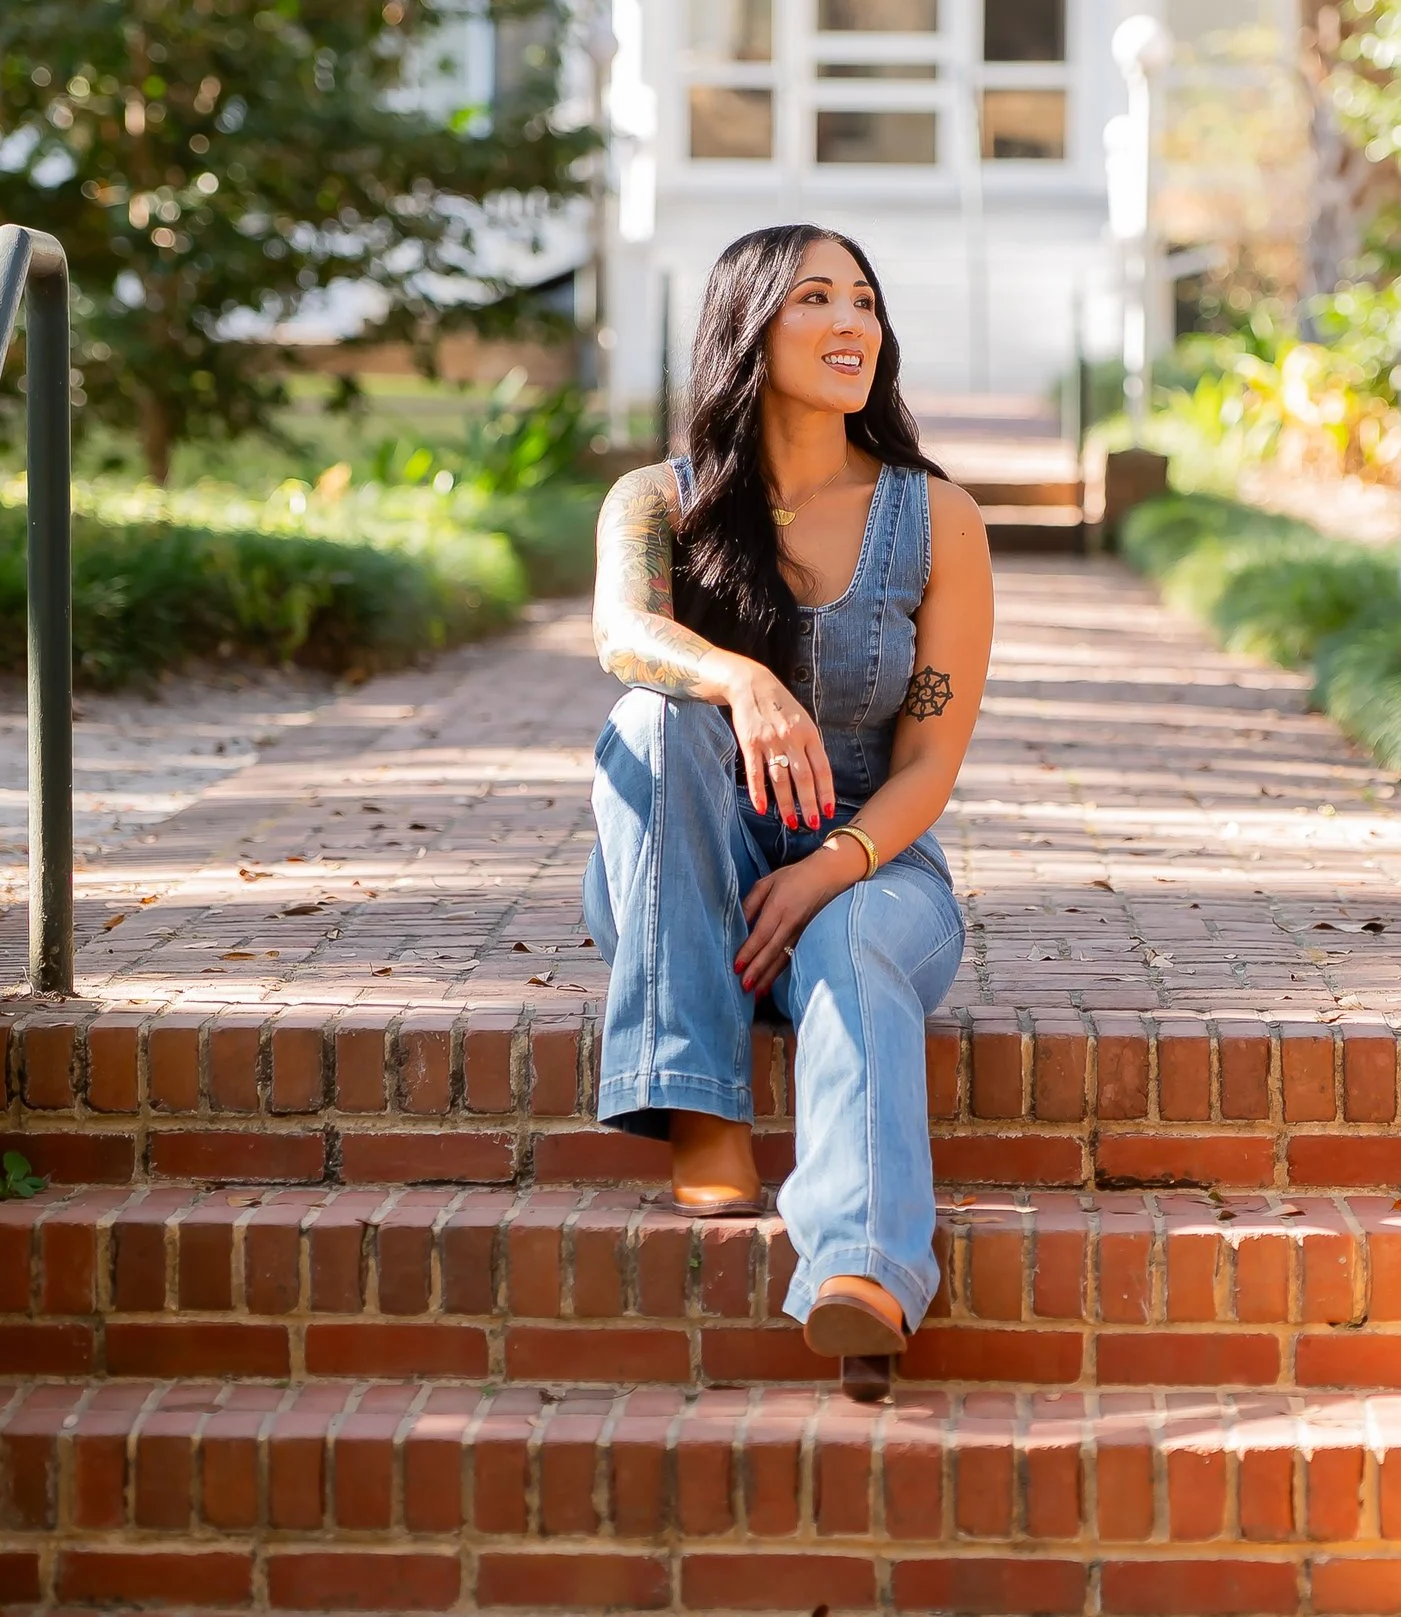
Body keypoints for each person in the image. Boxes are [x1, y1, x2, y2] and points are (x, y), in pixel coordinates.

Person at [582, 224, 993, 1403]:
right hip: (683, 860)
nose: (850, 323)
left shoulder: (938, 520)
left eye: (864, 300)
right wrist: (737, 677)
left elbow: (929, 758)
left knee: (855, 940)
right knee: (655, 720)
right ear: (748, 327)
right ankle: (695, 1101)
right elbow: (622, 637)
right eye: (815, 298)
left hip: (873, 858)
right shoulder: (654, 500)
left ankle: (860, 1274)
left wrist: (831, 870)